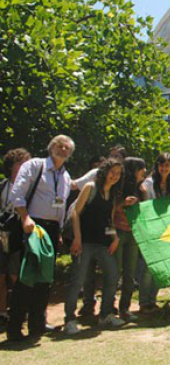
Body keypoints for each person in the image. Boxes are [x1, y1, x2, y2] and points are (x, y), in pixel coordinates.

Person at [7, 135, 74, 341]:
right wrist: (25, 217)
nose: (62, 150)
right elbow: (16, 193)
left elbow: (61, 206)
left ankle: (37, 325)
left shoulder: (65, 176)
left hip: (52, 231)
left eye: (67, 148)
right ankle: (15, 329)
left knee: (45, 279)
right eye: (59, 145)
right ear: (51, 147)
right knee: (26, 278)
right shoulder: (35, 165)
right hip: (32, 226)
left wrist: (60, 231)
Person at [64, 159, 126, 334]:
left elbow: (109, 220)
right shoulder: (90, 187)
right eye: (112, 171)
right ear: (105, 171)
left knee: (113, 274)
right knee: (78, 280)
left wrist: (114, 238)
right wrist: (77, 238)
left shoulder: (112, 195)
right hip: (84, 242)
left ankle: (105, 315)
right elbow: (76, 212)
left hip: (102, 243)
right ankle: (69, 319)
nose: (114, 176)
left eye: (118, 173)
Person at [138, 152, 170, 313]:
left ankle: (152, 299)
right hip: (151, 229)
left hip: (166, 229)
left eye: (168, 165)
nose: (164, 168)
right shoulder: (147, 183)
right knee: (149, 267)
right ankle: (143, 301)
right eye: (162, 165)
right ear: (157, 166)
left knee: (160, 267)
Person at [0, 148, 31, 325]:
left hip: (21, 235)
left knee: (16, 274)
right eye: (19, 164)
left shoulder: (30, 188)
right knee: (1, 275)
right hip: (3, 235)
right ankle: (3, 312)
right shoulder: (3, 186)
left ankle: (21, 311)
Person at [114, 157, 147, 320]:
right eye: (141, 168)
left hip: (134, 234)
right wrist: (123, 203)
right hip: (118, 233)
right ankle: (108, 309)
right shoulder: (118, 187)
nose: (144, 172)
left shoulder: (141, 189)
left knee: (130, 272)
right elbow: (110, 208)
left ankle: (124, 308)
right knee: (114, 271)